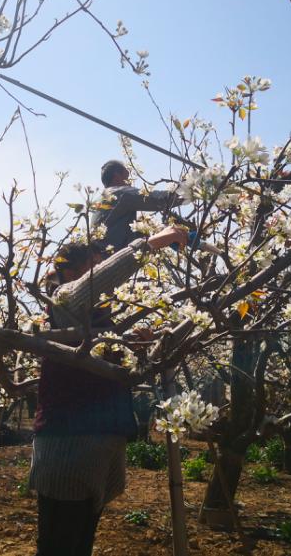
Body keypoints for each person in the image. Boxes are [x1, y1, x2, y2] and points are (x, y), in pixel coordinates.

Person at [30, 225, 188, 556]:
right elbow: (96, 282)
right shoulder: (64, 300)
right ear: (69, 271)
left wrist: (133, 345)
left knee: (79, 541)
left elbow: (115, 372)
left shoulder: (100, 321)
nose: (103, 272)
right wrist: (153, 242)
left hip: (95, 448)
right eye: (95, 264)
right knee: (61, 545)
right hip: (69, 447)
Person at [91, 159, 186, 251]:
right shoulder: (120, 193)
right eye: (127, 178)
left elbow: (120, 231)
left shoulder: (99, 202)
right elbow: (159, 199)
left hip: (99, 260)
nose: (130, 183)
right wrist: (189, 188)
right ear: (116, 177)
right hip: (115, 258)